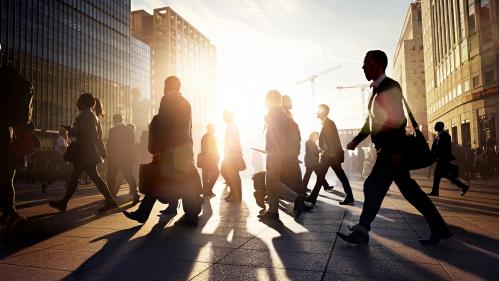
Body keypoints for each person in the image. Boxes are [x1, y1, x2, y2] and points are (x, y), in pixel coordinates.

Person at [337, 50, 451, 245]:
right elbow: (370, 122)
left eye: (367, 62)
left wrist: (397, 151)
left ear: (379, 63)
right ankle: (438, 228)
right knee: (408, 191)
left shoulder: (390, 86)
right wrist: (356, 141)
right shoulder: (376, 90)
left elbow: (398, 120)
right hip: (388, 151)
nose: (363, 67)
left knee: (373, 186)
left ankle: (363, 230)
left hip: (391, 151)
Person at [123, 76, 202, 226]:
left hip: (170, 150)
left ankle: (143, 213)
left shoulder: (167, 100)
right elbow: (188, 129)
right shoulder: (186, 103)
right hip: (184, 149)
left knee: (157, 180)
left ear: (167, 86)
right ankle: (191, 216)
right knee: (182, 182)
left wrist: (158, 149)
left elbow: (164, 127)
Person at [49, 93, 118, 213]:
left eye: (79, 101)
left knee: (83, 177)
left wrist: (70, 129)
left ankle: (110, 201)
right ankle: (64, 202)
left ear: (85, 103)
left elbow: (82, 133)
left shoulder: (85, 115)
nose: (77, 103)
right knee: (81, 176)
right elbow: (98, 136)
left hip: (84, 151)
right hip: (88, 150)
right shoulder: (93, 116)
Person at [258, 90, 312, 220]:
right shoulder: (281, 114)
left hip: (274, 153)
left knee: (271, 182)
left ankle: (296, 198)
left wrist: (273, 149)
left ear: (271, 100)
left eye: (266, 99)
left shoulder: (273, 113)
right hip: (278, 152)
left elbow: (276, 135)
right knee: (271, 181)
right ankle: (272, 211)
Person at [0, 66, 33, 236]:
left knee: (4, 177)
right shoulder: (19, 80)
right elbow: (25, 114)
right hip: (11, 133)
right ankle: (9, 213)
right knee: (7, 176)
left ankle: (10, 214)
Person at [306, 104, 354, 205]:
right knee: (336, 176)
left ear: (323, 112)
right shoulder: (326, 123)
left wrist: (331, 154)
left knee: (323, 176)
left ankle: (313, 197)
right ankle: (349, 197)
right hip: (330, 156)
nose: (317, 112)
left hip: (330, 156)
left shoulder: (328, 124)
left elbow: (333, 140)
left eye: (319, 110)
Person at [428, 122, 470, 197]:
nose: (434, 127)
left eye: (436, 126)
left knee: (438, 174)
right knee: (446, 176)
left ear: (440, 127)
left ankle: (435, 191)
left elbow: (445, 148)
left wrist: (437, 155)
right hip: (441, 159)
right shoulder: (439, 135)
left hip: (443, 159)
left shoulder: (445, 135)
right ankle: (464, 187)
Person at [105, 114, 139, 203]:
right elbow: (132, 145)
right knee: (129, 176)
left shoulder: (112, 131)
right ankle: (135, 193)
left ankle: (110, 196)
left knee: (111, 176)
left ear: (114, 121)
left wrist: (109, 156)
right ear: (122, 119)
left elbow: (109, 145)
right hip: (127, 157)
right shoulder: (129, 131)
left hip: (115, 158)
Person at [279, 95, 304, 194]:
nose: (291, 104)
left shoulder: (288, 114)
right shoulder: (281, 114)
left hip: (291, 152)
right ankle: (299, 198)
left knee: (287, 176)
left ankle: (299, 196)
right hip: (286, 152)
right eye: (290, 102)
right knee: (294, 175)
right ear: (285, 102)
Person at [221, 111, 244, 202]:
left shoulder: (231, 126)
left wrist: (229, 153)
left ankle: (235, 194)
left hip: (232, 153)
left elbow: (232, 141)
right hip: (233, 152)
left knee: (227, 172)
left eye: (224, 116)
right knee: (233, 174)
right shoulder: (231, 125)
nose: (223, 118)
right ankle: (235, 193)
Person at [199, 123, 220, 198]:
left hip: (209, 159)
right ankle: (207, 190)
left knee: (206, 175)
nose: (215, 129)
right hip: (209, 159)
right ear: (210, 128)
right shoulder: (207, 136)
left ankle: (207, 191)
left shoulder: (208, 136)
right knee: (214, 173)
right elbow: (208, 149)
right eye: (214, 128)